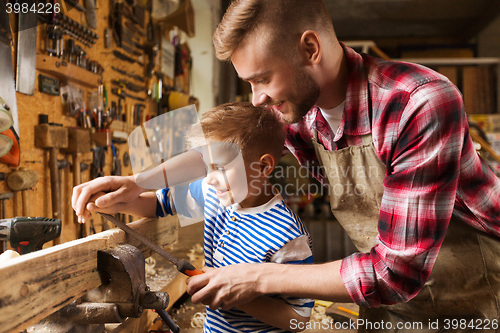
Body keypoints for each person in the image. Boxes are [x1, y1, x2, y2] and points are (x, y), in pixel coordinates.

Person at [72, 1, 500, 331]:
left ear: (309, 48)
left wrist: (259, 278)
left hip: (472, 297)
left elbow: (396, 272)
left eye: (262, 78)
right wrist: (139, 182)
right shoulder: (297, 110)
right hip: (388, 308)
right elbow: (220, 151)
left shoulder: (419, 103)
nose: (256, 97)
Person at [74, 102, 314, 332]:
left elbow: (299, 318)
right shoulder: (215, 194)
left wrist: (233, 295)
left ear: (263, 167)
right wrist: (110, 201)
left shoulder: (287, 236)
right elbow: (159, 203)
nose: (209, 178)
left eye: (220, 168)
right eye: (206, 167)